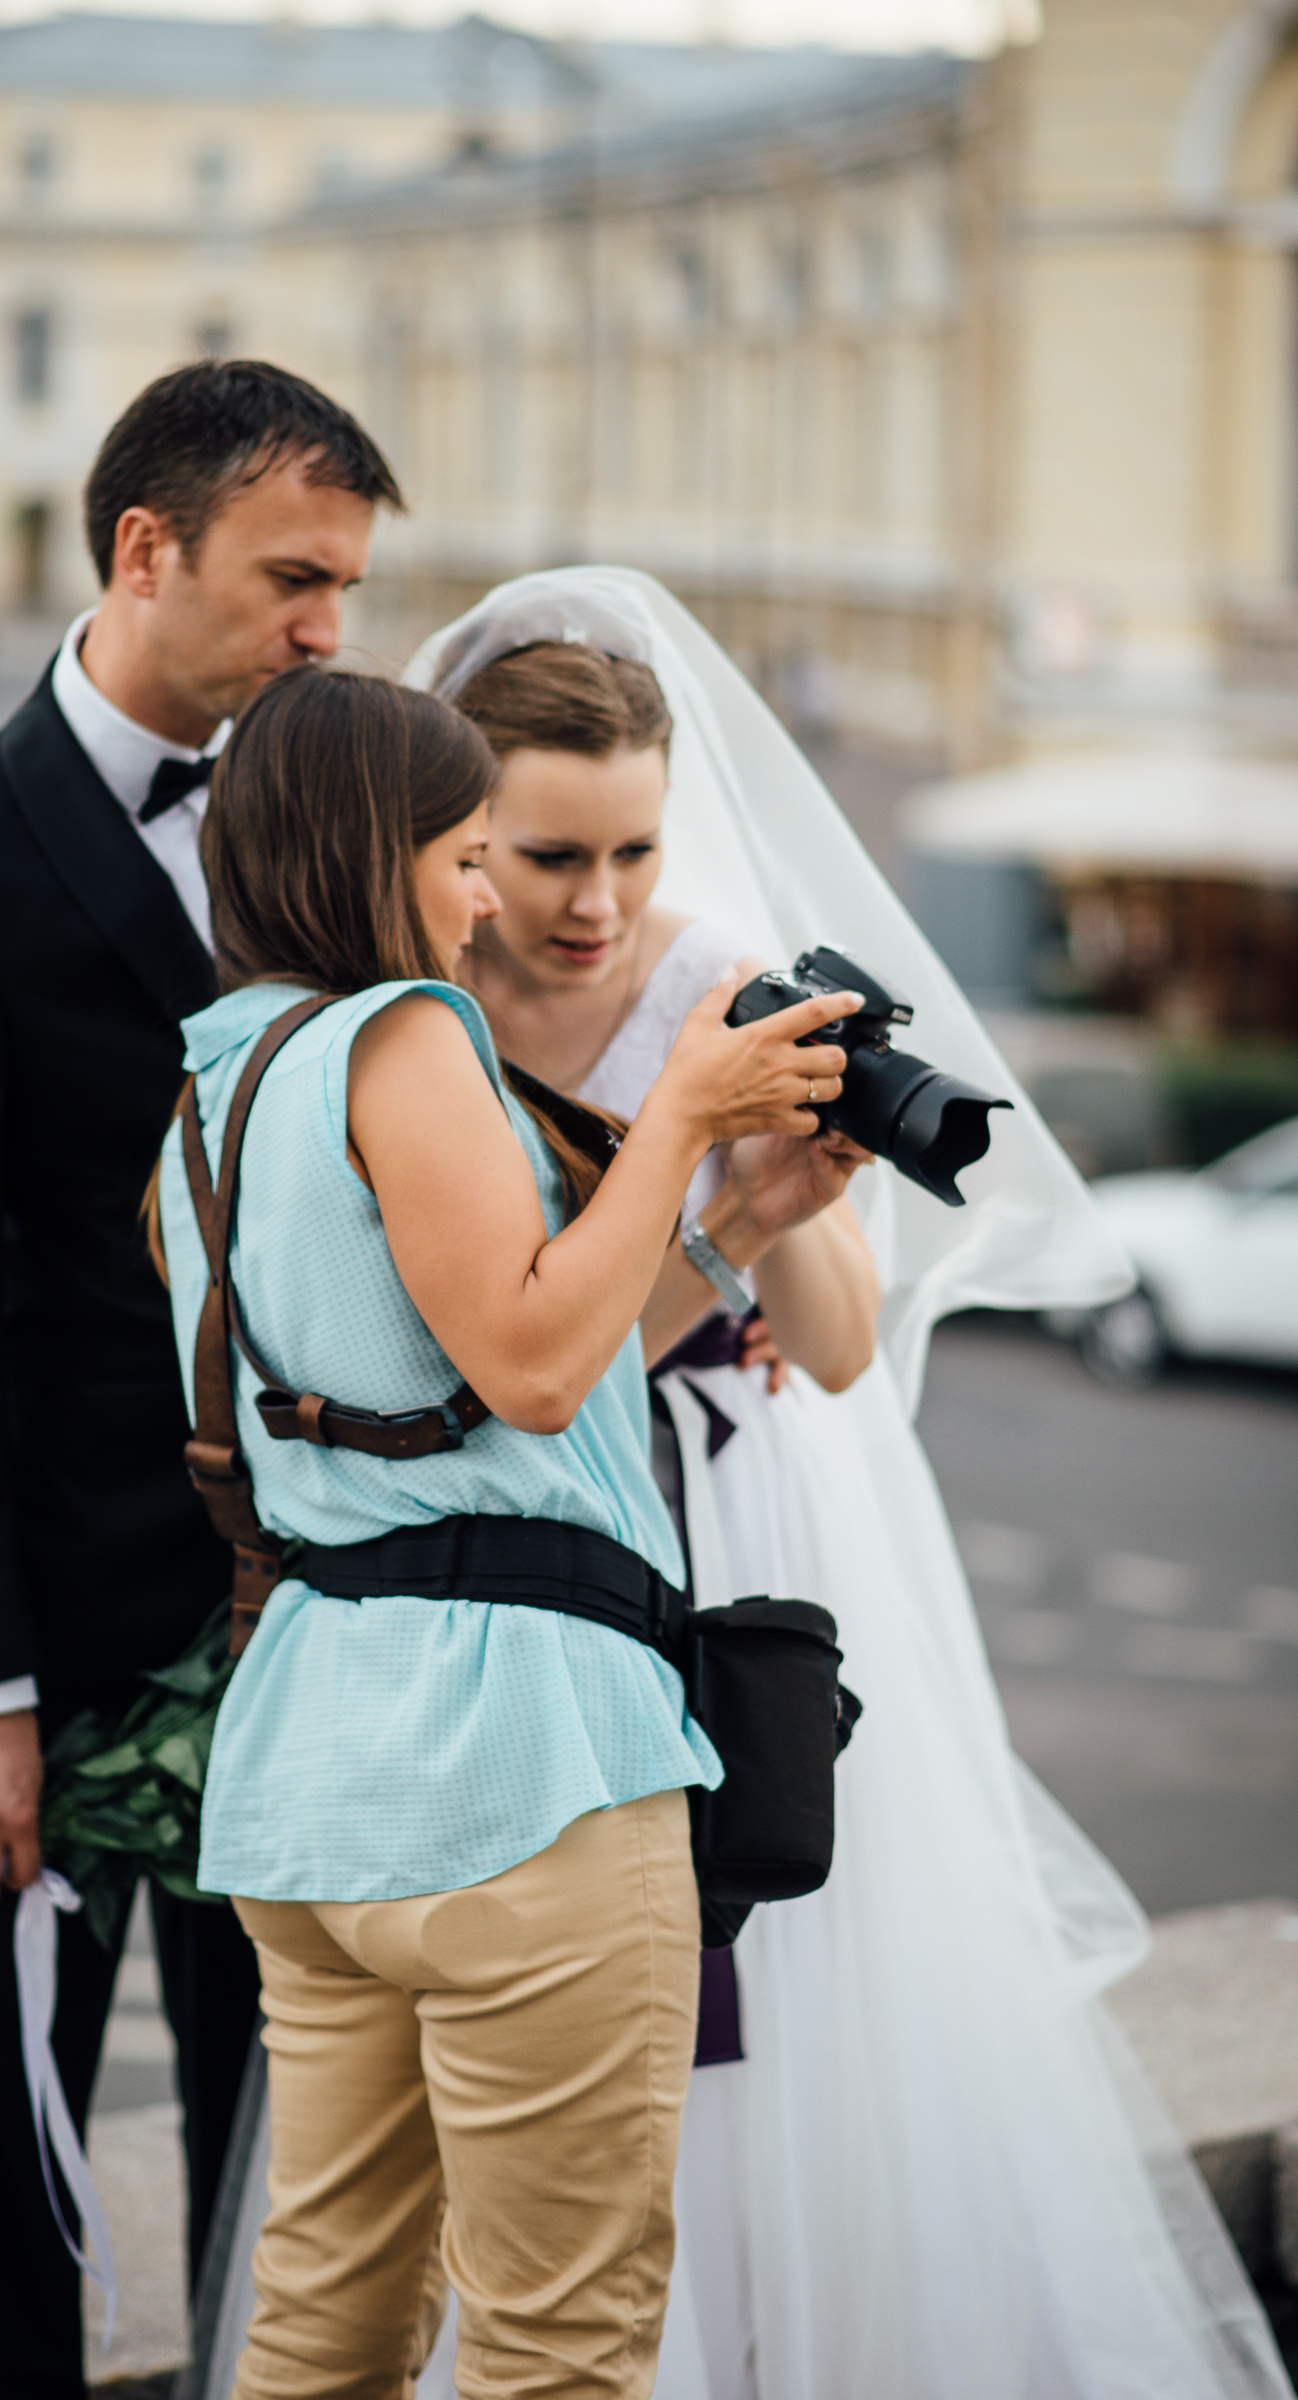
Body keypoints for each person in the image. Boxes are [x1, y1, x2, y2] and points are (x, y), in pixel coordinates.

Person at [406, 567, 1295, 2400]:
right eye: (550, 856)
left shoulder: (720, 980)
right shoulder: (413, 1020)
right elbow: (509, 1372)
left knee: (794, 1984)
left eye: (633, 854)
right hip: (524, 1529)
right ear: (461, 831)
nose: (598, 906)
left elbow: (825, 1345)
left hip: (740, 1538)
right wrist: (705, 1225)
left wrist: (774, 1205)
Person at [152, 666, 866, 2399]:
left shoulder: (214, 1084)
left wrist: (721, 1239)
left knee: (324, 2321)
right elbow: (542, 1375)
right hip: (521, 1773)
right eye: (466, 855)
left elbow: (458, 1383)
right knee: (559, 2347)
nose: (484, 898)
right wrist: (688, 1116)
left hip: (319, 1777)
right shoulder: (406, 1036)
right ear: (365, 851)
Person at [0, 359, 403, 2400]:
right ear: (141, 550)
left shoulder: (332, 811)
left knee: (306, 2170)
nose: (330, 628)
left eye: (346, 584)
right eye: (293, 579)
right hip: (43, 1649)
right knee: (1, 2182)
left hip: (315, 1628)